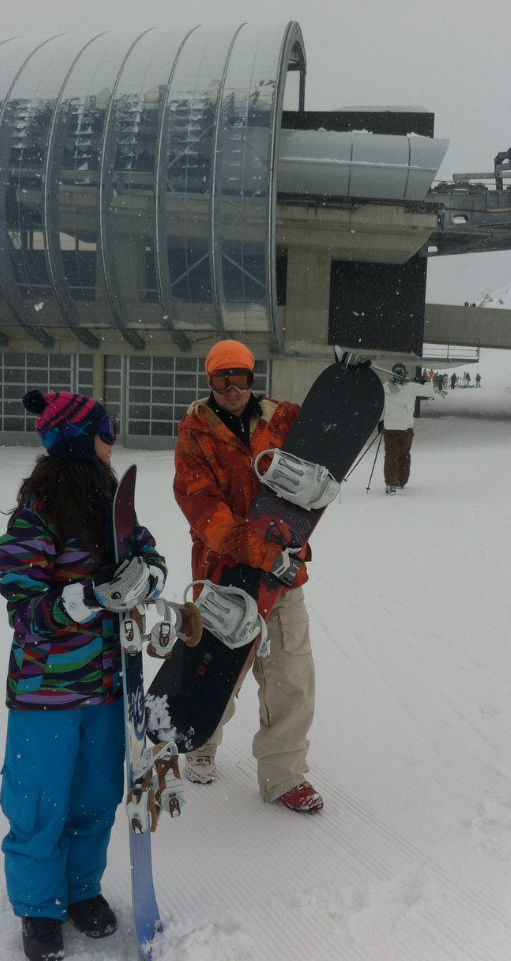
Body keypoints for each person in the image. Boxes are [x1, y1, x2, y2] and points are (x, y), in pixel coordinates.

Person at [0, 390, 168, 961]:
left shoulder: (113, 507)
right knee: (40, 803)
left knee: (96, 798)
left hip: (105, 687)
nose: (112, 442)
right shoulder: (37, 513)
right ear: (79, 438)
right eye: (106, 430)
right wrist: (91, 597)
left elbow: (150, 556)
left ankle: (81, 891)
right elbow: (24, 610)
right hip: (45, 693)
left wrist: (147, 579)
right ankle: (37, 908)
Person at [172, 339, 322, 814]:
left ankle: (283, 775)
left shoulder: (283, 419)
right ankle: (200, 742)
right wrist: (249, 546)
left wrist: (352, 388)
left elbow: (323, 451)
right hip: (222, 571)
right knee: (218, 667)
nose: (232, 388)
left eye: (241, 377)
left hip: (281, 574)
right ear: (209, 381)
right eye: (222, 379)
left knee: (290, 675)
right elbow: (199, 503)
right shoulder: (196, 432)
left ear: (252, 379)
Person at [378, 363, 434, 494]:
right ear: (404, 374)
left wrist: (380, 421)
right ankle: (401, 481)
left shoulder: (385, 387)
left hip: (391, 429)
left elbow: (379, 404)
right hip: (405, 429)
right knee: (404, 455)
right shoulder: (411, 387)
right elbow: (429, 392)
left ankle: (392, 483)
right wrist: (425, 381)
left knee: (391, 456)